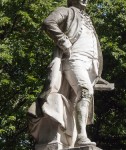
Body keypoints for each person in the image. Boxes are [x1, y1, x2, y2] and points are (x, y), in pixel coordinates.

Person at [28, 0, 104, 148]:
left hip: (90, 65)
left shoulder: (87, 18)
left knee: (76, 101)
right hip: (75, 59)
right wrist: (63, 41)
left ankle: (75, 139)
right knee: (85, 91)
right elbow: (48, 22)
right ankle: (82, 136)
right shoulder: (67, 11)